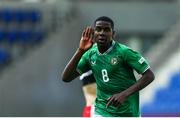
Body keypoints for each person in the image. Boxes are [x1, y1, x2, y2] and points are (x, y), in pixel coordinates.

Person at [62, 16, 155, 117]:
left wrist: (124, 94)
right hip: (101, 111)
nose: (102, 33)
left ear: (113, 34)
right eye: (98, 29)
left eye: (106, 30)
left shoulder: (124, 52)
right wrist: (80, 50)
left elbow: (149, 76)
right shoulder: (90, 54)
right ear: (94, 33)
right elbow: (66, 78)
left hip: (128, 113)